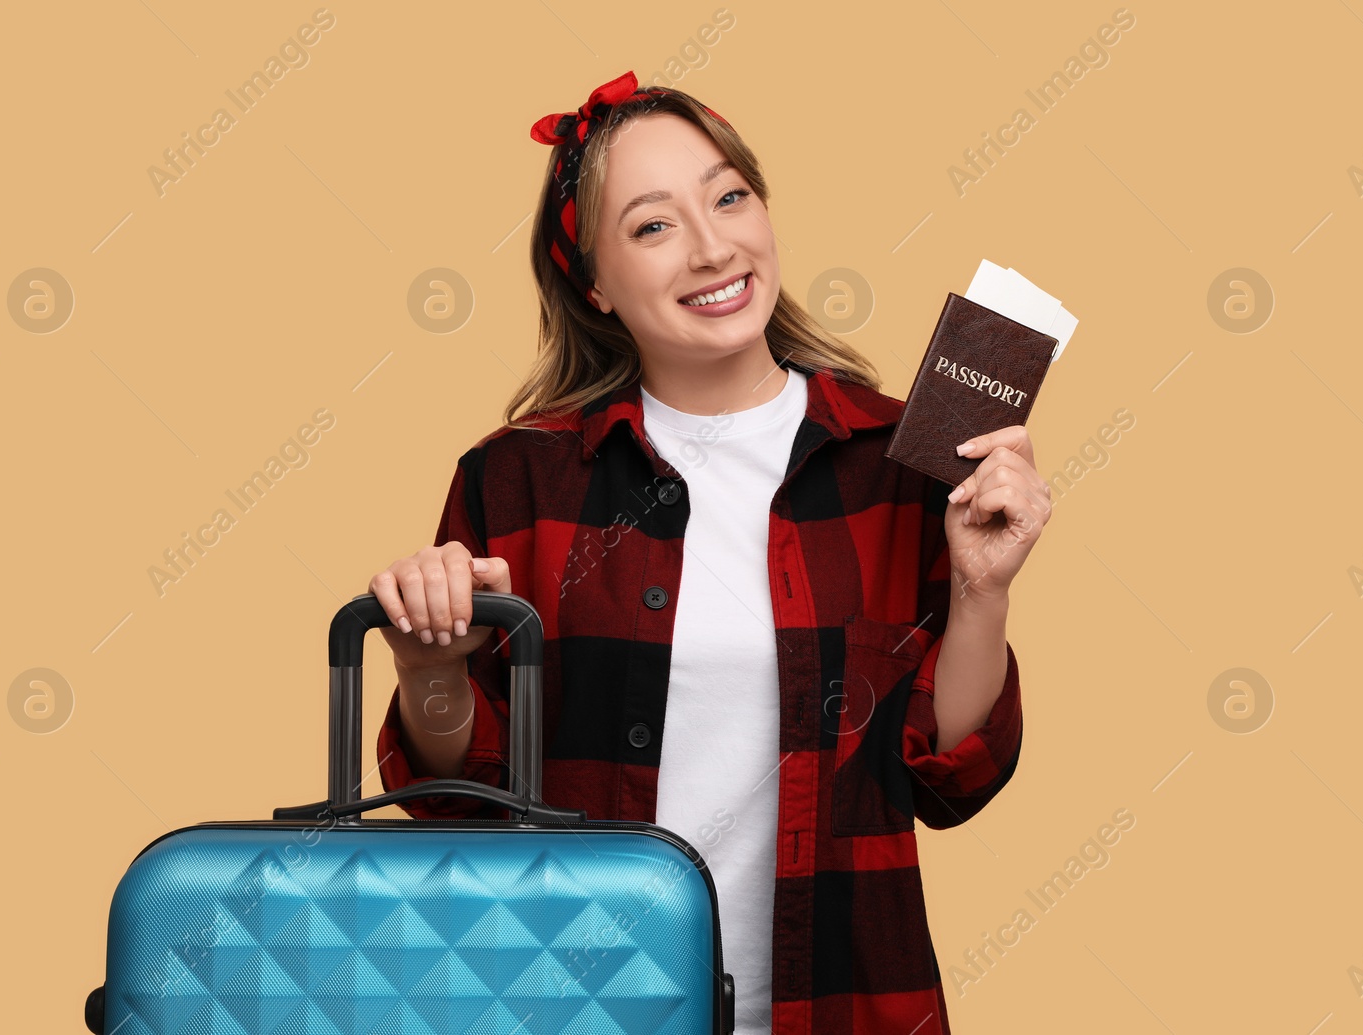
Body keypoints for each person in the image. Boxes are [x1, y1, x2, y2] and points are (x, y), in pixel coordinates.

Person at [366, 71, 1052, 1035]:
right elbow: (464, 804)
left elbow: (952, 779)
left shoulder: (902, 463)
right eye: (653, 225)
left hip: (847, 1009)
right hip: (577, 1008)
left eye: (729, 196)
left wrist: (984, 592)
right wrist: (428, 670)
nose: (712, 244)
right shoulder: (520, 480)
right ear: (593, 282)